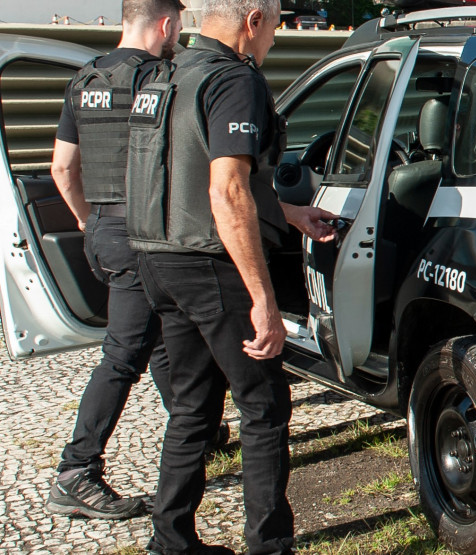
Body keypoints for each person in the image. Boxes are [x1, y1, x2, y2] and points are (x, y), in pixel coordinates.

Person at [125, 0, 337, 552]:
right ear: (252, 21)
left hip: (158, 260)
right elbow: (227, 190)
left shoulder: (165, 74)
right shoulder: (235, 82)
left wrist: (287, 214)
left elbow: (185, 172)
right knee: (263, 406)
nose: (276, 38)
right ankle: (269, 544)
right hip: (211, 265)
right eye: (275, 25)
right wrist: (263, 298)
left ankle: (171, 542)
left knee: (192, 406)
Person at [47, 0, 188, 521]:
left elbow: (62, 168)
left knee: (152, 335)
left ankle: (193, 426)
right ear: (166, 23)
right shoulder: (161, 78)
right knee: (124, 354)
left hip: (103, 228)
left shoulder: (85, 80)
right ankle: (75, 470)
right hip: (145, 232)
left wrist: (89, 221)